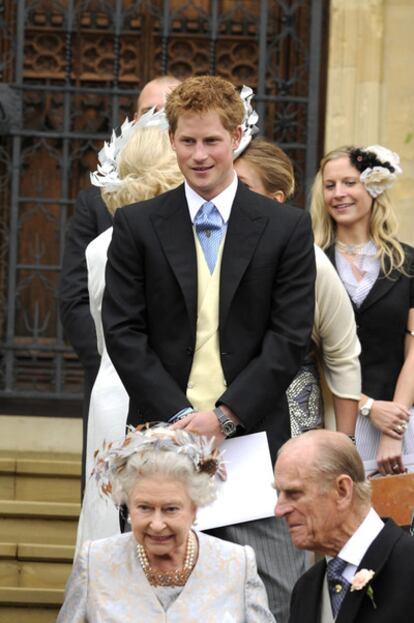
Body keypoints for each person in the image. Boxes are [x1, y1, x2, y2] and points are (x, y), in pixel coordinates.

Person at [102, 75, 316, 623]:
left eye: (212, 141)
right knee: (157, 593)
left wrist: (224, 416)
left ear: (237, 137)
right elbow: (125, 334)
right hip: (159, 439)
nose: (200, 155)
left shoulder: (286, 228)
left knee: (270, 591)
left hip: (254, 438)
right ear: (171, 139)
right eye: (188, 141)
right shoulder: (137, 226)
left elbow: (289, 336)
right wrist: (179, 416)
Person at [59, 75, 181, 496]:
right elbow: (75, 296)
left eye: (167, 114)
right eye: (148, 112)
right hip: (113, 379)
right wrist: (109, 359)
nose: (156, 122)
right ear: (132, 120)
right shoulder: (97, 203)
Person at [75, 111, 184, 554]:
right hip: (156, 391)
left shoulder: (101, 244)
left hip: (111, 386)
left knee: (109, 512)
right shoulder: (168, 242)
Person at [58, 424, 275, 622]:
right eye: (144, 508)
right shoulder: (95, 562)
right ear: (128, 505)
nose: (157, 524)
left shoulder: (237, 565)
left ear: (195, 507)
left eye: (170, 509)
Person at [234, 138, 361, 436]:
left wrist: (345, 446)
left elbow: (342, 355)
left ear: (275, 199)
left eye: (242, 187)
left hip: (294, 424)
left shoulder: (309, 260)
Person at [311, 144, 414, 475]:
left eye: (349, 183)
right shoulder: (310, 262)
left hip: (402, 417)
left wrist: (394, 423)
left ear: (373, 187)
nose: (338, 194)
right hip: (336, 416)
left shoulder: (407, 261)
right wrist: (368, 407)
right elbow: (313, 352)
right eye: (330, 185)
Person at [274, 429, 414, 623]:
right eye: (279, 494)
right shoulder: (305, 590)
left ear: (342, 490)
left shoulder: (409, 563)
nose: (279, 510)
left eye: (294, 493)